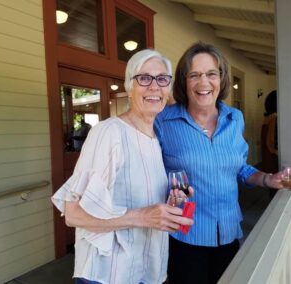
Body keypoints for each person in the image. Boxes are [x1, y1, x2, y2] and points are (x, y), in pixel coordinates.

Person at [154, 42, 291, 283]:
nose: (204, 82)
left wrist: (269, 179)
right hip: (184, 237)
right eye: (194, 75)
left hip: (228, 233)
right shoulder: (164, 121)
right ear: (184, 81)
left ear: (221, 79)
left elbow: (241, 168)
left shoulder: (235, 118)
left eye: (211, 74)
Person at [51, 49, 193, 284]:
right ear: (129, 86)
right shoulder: (108, 132)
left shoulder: (155, 137)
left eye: (162, 79)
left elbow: (141, 198)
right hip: (109, 272)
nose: (154, 87)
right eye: (144, 78)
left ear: (168, 89)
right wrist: (143, 217)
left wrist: (170, 204)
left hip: (147, 266)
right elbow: (73, 213)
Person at [261, 90, 278, 198]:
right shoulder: (274, 117)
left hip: (268, 157)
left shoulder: (269, 117)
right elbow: (271, 141)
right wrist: (276, 152)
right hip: (273, 158)